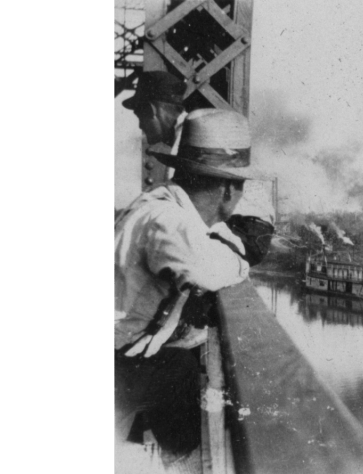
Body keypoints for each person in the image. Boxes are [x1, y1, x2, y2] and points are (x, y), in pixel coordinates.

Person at [114, 109, 267, 467]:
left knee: (178, 369)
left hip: (122, 356)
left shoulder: (160, 205)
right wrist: (240, 255)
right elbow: (214, 270)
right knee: (178, 374)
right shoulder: (170, 220)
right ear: (229, 190)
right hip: (115, 363)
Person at [122, 71, 187, 151]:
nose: (140, 126)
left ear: (149, 110)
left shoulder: (186, 141)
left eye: (141, 118)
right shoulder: (185, 137)